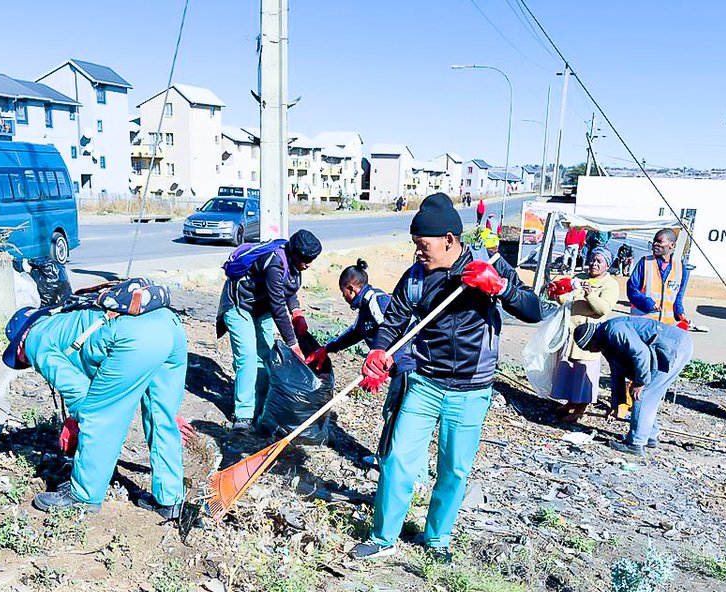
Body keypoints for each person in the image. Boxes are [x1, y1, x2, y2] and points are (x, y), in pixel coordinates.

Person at [351, 192, 543, 563]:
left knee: (454, 468)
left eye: (423, 246)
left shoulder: (488, 265)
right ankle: (383, 536)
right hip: (424, 382)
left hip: (472, 388)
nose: (418, 252)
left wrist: (499, 288)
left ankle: (436, 539)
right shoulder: (415, 278)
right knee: (397, 460)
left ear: (449, 241)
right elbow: (393, 324)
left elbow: (534, 310)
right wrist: (379, 351)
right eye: (415, 245)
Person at [5, 280, 190, 518]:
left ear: (20, 340)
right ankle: (170, 499)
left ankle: (83, 496)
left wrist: (79, 423)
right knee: (161, 416)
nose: (26, 362)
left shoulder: (34, 340)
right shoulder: (66, 319)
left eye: (20, 358)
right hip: (169, 324)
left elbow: (80, 393)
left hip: (134, 338)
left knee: (101, 418)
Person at [305, 258, 415, 463]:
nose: (344, 297)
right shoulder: (365, 305)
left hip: (406, 367)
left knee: (396, 415)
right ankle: (386, 459)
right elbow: (355, 332)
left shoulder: (376, 300)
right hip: (397, 367)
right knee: (392, 413)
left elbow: (393, 330)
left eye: (343, 292)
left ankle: (392, 464)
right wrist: (327, 349)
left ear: (351, 288)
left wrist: (385, 360)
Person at [216, 229, 321, 431]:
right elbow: (277, 306)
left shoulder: (293, 263)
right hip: (238, 306)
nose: (308, 264)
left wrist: (297, 312)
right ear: (295, 253)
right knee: (247, 357)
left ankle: (260, 408)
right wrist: (293, 344)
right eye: (306, 260)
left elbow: (288, 290)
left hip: (260, 308)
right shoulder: (274, 262)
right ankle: (243, 415)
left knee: (266, 357)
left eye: (312, 260)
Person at [573, 315, 693, 457]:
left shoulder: (614, 331)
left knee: (643, 395)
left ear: (593, 339)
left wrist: (640, 382)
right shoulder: (606, 341)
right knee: (650, 396)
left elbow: (641, 353)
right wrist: (615, 404)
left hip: (673, 346)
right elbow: (616, 371)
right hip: (672, 346)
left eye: (589, 348)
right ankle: (649, 436)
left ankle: (635, 443)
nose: (592, 351)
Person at [545, 247, 619, 421]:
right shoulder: (580, 278)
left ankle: (581, 408)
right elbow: (566, 299)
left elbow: (603, 309)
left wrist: (590, 294)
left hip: (589, 336)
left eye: (599, 261)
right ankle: (570, 403)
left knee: (583, 370)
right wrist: (557, 292)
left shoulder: (610, 285)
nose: (594, 264)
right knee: (568, 368)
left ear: (607, 265)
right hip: (570, 332)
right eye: (592, 260)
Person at [627, 228, 690, 326]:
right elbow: (632, 289)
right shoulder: (645, 262)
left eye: (659, 242)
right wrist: (648, 304)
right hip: (642, 324)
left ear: (672, 245)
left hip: (666, 326)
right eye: (654, 241)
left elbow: (678, 297)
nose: (655, 244)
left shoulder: (681, 268)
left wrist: (680, 313)